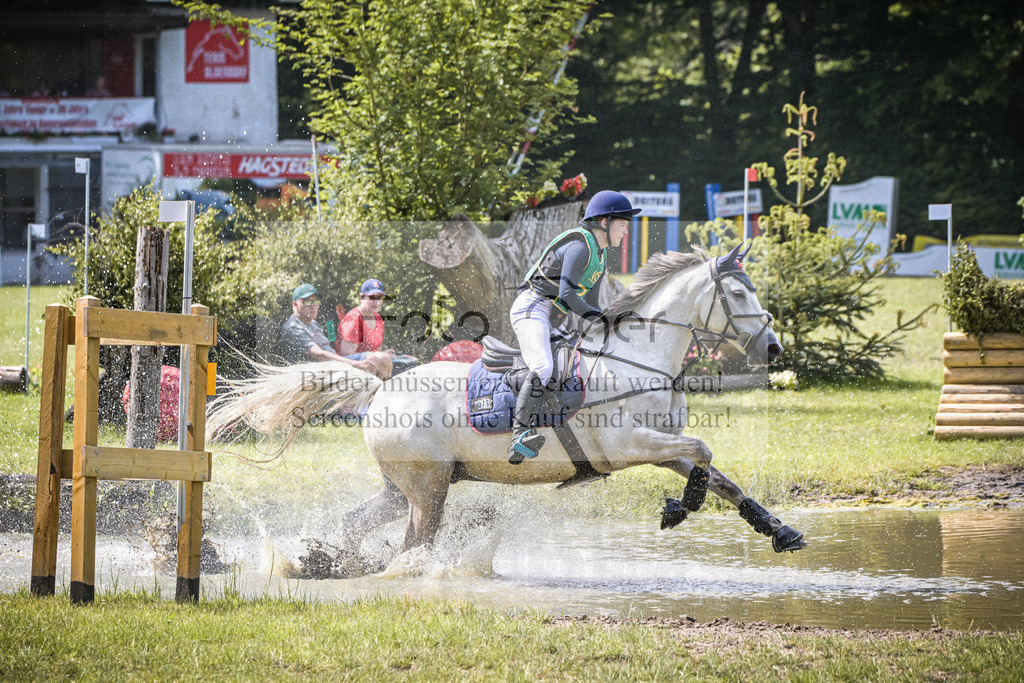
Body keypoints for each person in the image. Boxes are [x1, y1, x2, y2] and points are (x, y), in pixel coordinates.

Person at [507, 190, 639, 464]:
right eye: (623, 223)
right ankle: (518, 436)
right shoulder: (581, 246)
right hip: (532, 307)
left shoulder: (599, 258)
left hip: (554, 317)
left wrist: (613, 327)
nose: (626, 230)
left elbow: (589, 305)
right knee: (543, 367)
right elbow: (568, 295)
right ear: (604, 221)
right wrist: (604, 320)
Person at [280, 283, 392, 378]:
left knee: (382, 358)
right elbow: (320, 355)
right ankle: (364, 402)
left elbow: (331, 348)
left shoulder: (315, 324)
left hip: (333, 366)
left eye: (316, 302)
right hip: (313, 374)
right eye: (307, 302)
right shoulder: (293, 327)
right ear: (294, 304)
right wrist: (356, 364)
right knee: (373, 360)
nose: (313, 306)